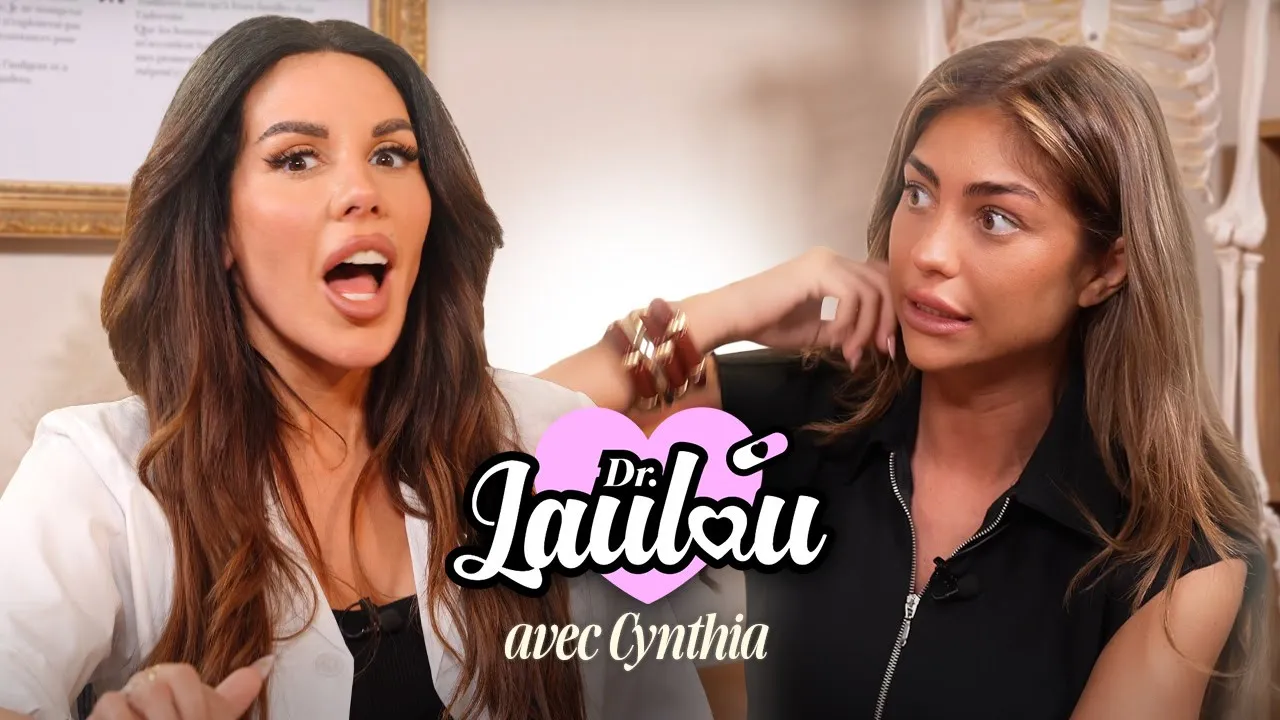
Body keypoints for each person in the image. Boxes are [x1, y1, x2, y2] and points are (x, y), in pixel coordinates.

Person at [0, 16, 725, 720]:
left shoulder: (553, 439)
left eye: (391, 155)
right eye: (296, 159)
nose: (362, 191)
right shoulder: (100, 474)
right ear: (218, 227)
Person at [540, 37, 1273, 719]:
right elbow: (492, 443)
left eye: (995, 218)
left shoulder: (1175, 551)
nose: (928, 252)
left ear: (1105, 267)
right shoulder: (804, 414)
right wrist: (723, 313)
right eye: (918, 195)